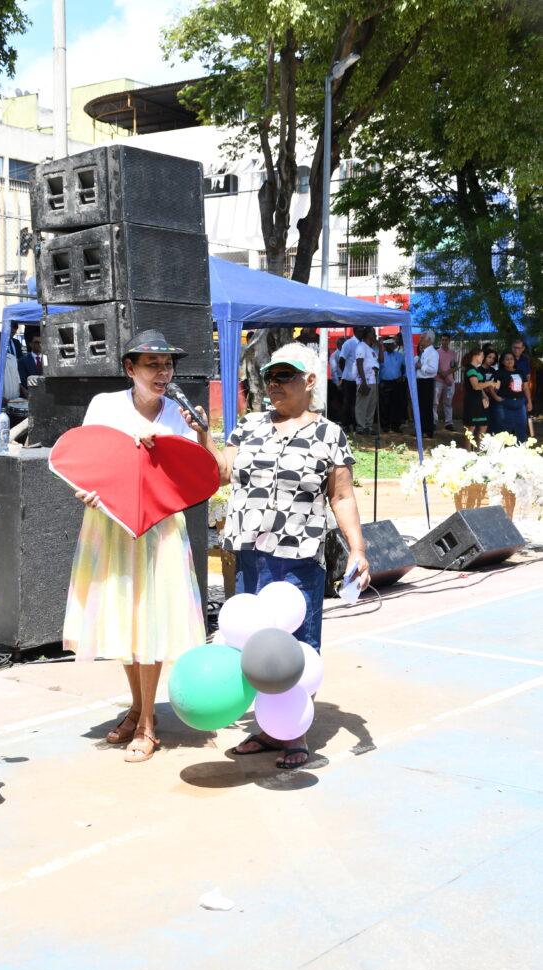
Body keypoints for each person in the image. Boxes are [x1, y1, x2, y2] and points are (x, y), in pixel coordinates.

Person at [189, 341, 370, 770]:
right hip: (250, 554)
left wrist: (358, 549)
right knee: (253, 643)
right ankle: (268, 728)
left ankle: (294, 732)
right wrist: (203, 435)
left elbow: (341, 496)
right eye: (269, 376)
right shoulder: (249, 425)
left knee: (297, 644)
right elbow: (222, 472)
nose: (274, 384)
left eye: (284, 376)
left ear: (310, 381)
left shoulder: (329, 434)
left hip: (299, 557)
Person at [63, 329, 206, 764]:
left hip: (160, 529)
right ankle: (139, 707)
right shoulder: (104, 406)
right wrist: (86, 491)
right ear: (130, 368)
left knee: (152, 620)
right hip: (110, 526)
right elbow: (88, 463)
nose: (163, 373)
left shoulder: (178, 415)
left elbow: (194, 475)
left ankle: (146, 725)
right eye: (152, 365)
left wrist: (195, 438)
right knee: (125, 617)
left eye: (168, 365)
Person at [492, 351, 531, 442]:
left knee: (521, 426)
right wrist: (495, 397)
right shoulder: (499, 373)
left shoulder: (520, 372)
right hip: (505, 404)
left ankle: (522, 447)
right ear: (502, 361)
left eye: (511, 359)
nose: (510, 361)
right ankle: (503, 448)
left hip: (520, 403)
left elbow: (525, 388)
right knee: (504, 429)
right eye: (507, 359)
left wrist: (529, 401)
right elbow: (491, 387)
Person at [461, 347, 493, 446]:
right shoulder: (470, 369)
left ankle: (480, 449)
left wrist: (484, 395)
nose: (483, 358)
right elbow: (475, 386)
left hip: (479, 401)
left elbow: (479, 386)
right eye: (482, 356)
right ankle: (467, 451)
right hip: (472, 401)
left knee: (483, 425)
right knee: (471, 427)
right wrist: (490, 383)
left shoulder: (475, 369)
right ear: (475, 356)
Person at [354, 326, 381, 435]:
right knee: (362, 405)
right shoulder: (361, 346)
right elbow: (359, 364)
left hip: (374, 380)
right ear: (368, 334)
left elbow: (381, 360)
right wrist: (363, 381)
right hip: (364, 381)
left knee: (371, 405)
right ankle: (361, 427)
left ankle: (368, 426)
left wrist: (380, 346)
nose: (375, 335)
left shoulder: (371, 349)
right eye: (373, 333)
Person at [378, 335, 406, 432]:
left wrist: (404, 376)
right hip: (384, 383)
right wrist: (379, 382)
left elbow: (407, 367)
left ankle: (395, 426)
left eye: (392, 344)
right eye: (389, 344)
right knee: (384, 405)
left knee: (396, 405)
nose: (391, 346)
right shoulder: (381, 356)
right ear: (385, 345)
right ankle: (385, 426)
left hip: (396, 383)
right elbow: (377, 369)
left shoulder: (399, 356)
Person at [415, 330, 439, 438]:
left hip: (427, 382)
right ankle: (421, 429)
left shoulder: (433, 353)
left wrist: (421, 366)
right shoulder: (423, 352)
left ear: (429, 340)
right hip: (420, 381)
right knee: (420, 406)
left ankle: (428, 431)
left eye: (422, 338)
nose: (420, 340)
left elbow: (433, 370)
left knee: (426, 407)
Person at [338, 328, 362, 432]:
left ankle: (356, 424)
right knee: (347, 403)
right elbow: (341, 360)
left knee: (357, 403)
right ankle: (345, 425)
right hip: (349, 378)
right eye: (361, 330)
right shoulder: (348, 343)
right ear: (356, 331)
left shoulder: (362, 343)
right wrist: (346, 371)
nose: (363, 332)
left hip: (359, 379)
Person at [433, 333, 457, 431]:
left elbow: (454, 367)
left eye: (446, 340)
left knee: (448, 402)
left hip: (450, 382)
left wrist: (447, 376)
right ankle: (434, 422)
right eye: (442, 340)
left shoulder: (453, 353)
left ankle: (449, 423)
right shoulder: (436, 353)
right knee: (435, 402)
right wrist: (445, 377)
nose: (444, 342)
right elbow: (436, 367)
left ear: (449, 341)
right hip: (438, 381)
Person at [480, 347, 499, 433]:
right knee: (482, 419)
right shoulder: (478, 370)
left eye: (493, 358)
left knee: (491, 418)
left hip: (492, 397)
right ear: (484, 357)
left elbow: (495, 383)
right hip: (481, 398)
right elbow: (478, 385)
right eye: (489, 357)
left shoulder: (493, 370)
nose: (491, 360)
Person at [327, 338, 344, 424]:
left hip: (344, 379)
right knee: (338, 401)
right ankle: (339, 418)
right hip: (339, 379)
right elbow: (333, 371)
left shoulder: (344, 354)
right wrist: (337, 384)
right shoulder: (334, 355)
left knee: (344, 401)